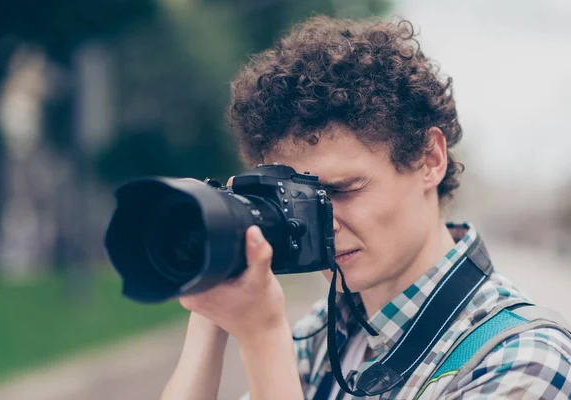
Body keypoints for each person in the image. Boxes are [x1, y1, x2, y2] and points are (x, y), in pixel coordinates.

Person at [161, 16, 571, 399]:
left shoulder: (523, 357)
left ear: (429, 160)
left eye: (341, 190)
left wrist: (263, 338)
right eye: (298, 201)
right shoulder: (321, 337)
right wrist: (212, 285)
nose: (322, 223)